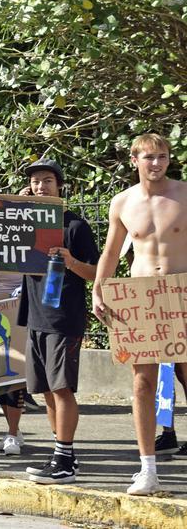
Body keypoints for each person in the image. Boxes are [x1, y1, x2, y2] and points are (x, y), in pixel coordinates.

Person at [92, 134, 186, 495]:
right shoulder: (122, 202)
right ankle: (148, 469)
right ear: (135, 159)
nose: (157, 163)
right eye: (149, 156)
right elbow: (111, 252)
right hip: (141, 297)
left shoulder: (185, 193)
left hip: (181, 294)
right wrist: (99, 289)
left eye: (162, 156)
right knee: (142, 383)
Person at [17, 158, 99, 485]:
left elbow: (96, 273)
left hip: (64, 318)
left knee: (62, 388)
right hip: (35, 316)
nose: (41, 186)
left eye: (47, 180)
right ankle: (62, 454)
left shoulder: (75, 227)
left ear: (59, 186)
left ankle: (64, 458)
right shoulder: (25, 225)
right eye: (36, 181)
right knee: (47, 390)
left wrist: (71, 260)